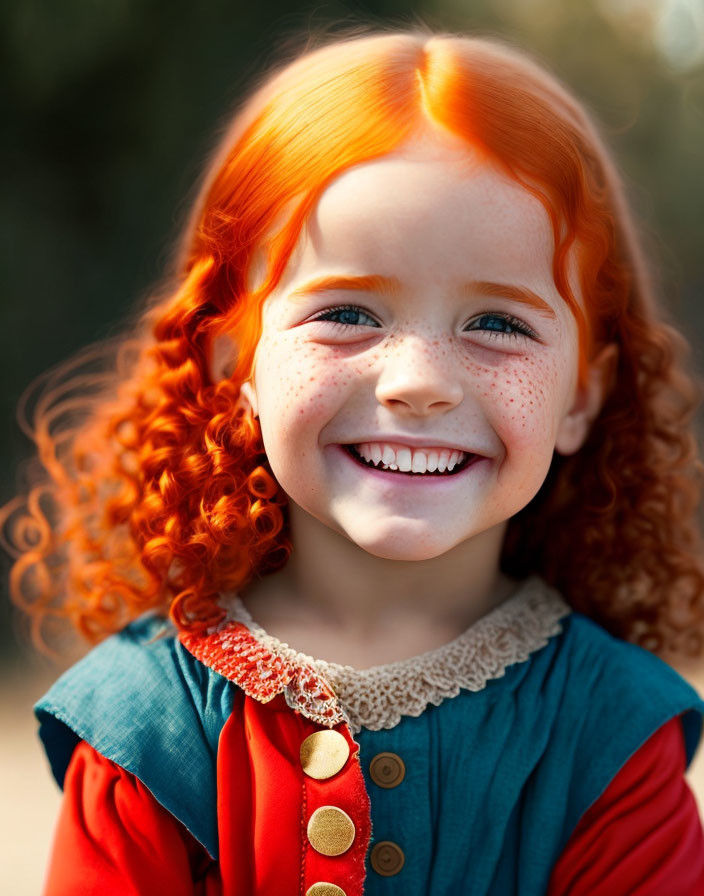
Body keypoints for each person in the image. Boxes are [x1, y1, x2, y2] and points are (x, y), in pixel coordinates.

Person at [4, 23, 704, 895]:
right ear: (234, 360)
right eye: (348, 313)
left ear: (581, 398)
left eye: (498, 324)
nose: (417, 382)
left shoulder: (613, 738)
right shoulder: (148, 726)